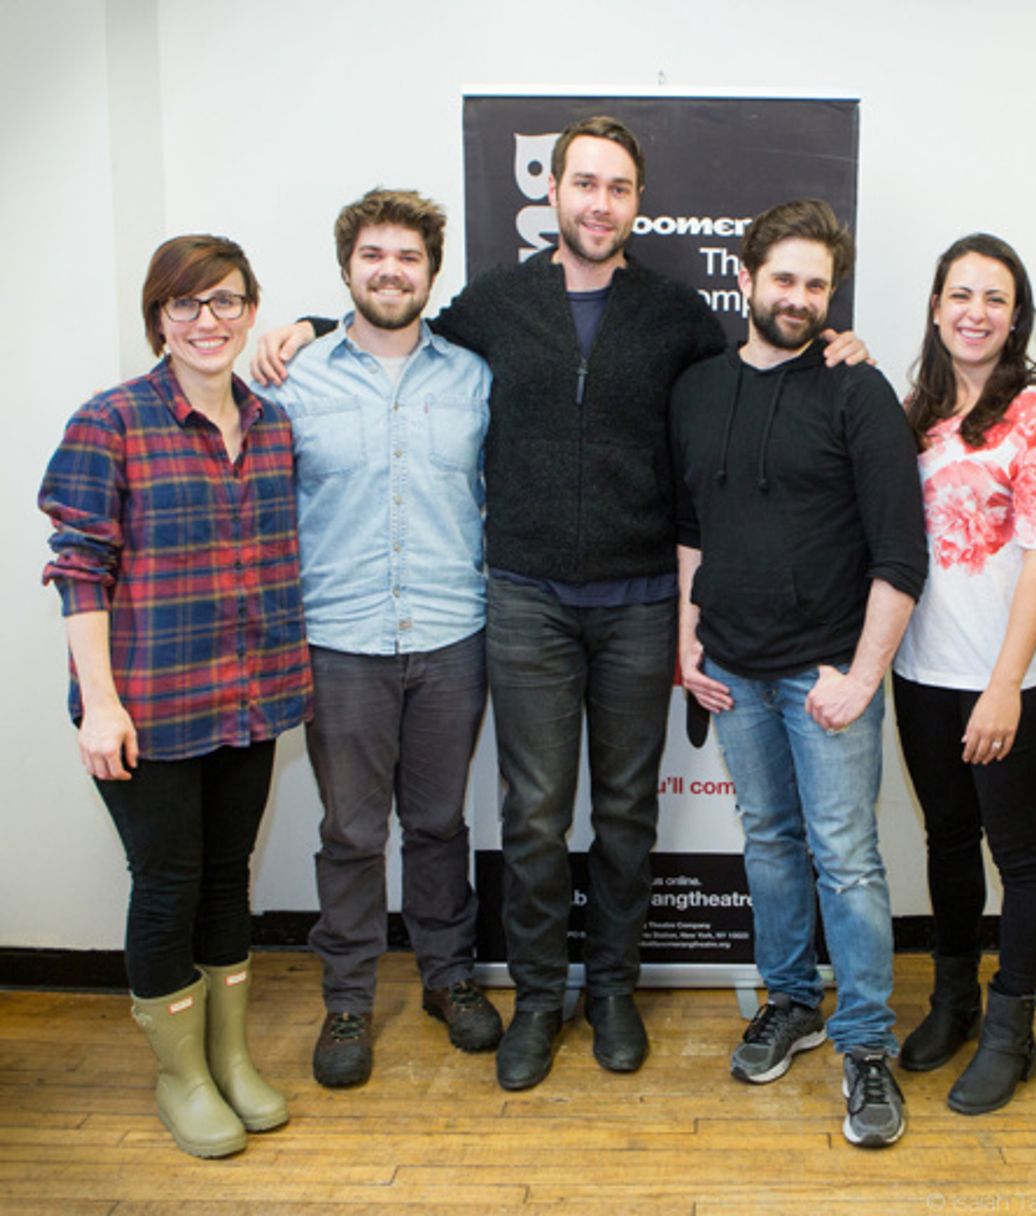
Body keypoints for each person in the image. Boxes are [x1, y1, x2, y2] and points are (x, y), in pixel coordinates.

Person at [252, 116, 868, 1093]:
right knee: (534, 815)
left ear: (636, 203)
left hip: (640, 603)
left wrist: (837, 346)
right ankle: (540, 997)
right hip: (525, 600)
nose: (599, 202)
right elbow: (396, 336)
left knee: (624, 812)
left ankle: (611, 989)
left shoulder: (674, 315)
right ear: (554, 193)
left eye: (617, 187)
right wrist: (312, 329)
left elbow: (753, 378)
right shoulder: (495, 304)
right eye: (584, 183)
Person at [38, 235, 312, 1157]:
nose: (207, 320)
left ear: (250, 310)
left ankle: (228, 1059)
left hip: (249, 697)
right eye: (185, 304)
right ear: (159, 318)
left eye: (226, 301)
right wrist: (101, 704)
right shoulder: (110, 422)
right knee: (166, 886)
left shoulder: (273, 427)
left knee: (228, 878)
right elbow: (80, 571)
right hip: (146, 710)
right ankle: (181, 1076)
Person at [673, 199, 927, 1148]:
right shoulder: (698, 389)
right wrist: (689, 638)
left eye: (816, 284)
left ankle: (866, 1044)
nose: (799, 297)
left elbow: (901, 553)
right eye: (783, 278)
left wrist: (860, 678)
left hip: (826, 676)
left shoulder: (857, 391)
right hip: (734, 670)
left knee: (847, 859)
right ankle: (790, 1002)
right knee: (770, 844)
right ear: (745, 279)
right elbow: (692, 527)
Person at [255, 189, 498, 1088]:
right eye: (373, 255)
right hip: (340, 641)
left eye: (408, 257)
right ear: (347, 268)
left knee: (438, 824)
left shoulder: (474, 378)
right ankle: (349, 999)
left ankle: (448, 978)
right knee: (352, 833)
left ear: (432, 272)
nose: (391, 271)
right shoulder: (292, 380)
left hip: (451, 636)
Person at [891, 234, 1036, 1114]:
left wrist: (1005, 683)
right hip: (921, 673)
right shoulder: (914, 411)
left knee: (1022, 852)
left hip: (1010, 682)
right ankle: (954, 1001)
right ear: (936, 308)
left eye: (995, 298)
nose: (976, 312)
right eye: (960, 295)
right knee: (947, 841)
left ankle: (1012, 1028)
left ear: (1017, 316)